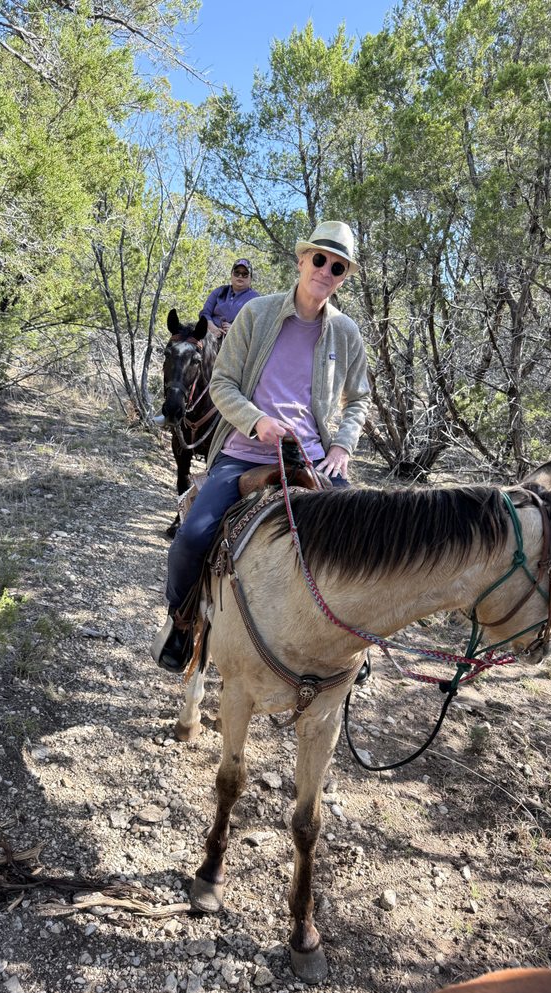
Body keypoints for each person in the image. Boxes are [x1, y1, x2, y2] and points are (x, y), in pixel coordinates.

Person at [152, 221, 370, 673]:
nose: (325, 271)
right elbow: (223, 384)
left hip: (312, 456)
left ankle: (351, 646)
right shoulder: (258, 314)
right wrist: (257, 423)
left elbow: (359, 399)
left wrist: (343, 447)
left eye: (337, 266)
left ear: (344, 275)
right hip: (244, 453)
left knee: (364, 547)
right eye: (319, 259)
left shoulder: (345, 333)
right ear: (301, 259)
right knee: (192, 538)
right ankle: (181, 620)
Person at [199, 259, 260, 338]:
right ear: (231, 275)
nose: (240, 276)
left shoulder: (256, 299)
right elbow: (205, 313)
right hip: (210, 336)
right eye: (237, 272)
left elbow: (257, 326)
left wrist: (235, 330)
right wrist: (212, 328)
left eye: (245, 274)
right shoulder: (219, 291)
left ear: (250, 278)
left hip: (238, 342)